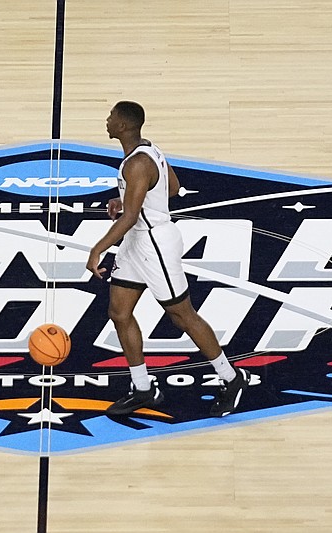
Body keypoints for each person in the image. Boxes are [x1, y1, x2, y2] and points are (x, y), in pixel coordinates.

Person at [86, 101, 251, 417]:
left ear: (123, 126)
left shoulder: (136, 163)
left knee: (182, 314)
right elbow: (172, 188)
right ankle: (143, 388)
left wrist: (97, 249)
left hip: (154, 246)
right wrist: (126, 198)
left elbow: (132, 216)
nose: (107, 120)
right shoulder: (149, 150)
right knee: (119, 312)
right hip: (138, 243)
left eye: (111, 117)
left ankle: (232, 379)